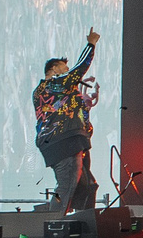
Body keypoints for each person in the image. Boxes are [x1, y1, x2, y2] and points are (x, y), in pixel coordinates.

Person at [34, 30, 101, 211]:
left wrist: (85, 110)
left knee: (87, 186)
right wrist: (91, 45)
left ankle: (82, 224)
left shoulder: (62, 90)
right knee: (66, 185)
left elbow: (75, 113)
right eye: (63, 67)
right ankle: (55, 226)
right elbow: (78, 70)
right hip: (62, 141)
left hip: (72, 140)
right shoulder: (51, 85)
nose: (67, 70)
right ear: (54, 69)